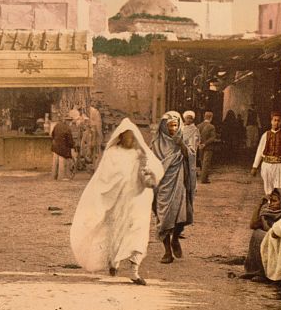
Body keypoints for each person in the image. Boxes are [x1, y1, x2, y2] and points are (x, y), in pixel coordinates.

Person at [70, 118, 163, 285]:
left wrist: (148, 171)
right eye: (126, 136)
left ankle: (134, 271)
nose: (129, 139)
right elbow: (104, 177)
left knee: (137, 234)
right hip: (119, 201)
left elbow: (155, 171)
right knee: (117, 233)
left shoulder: (140, 153)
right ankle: (114, 262)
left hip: (138, 201)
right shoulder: (112, 154)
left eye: (132, 136)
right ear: (120, 137)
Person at [151, 110, 196, 264]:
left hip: (179, 182)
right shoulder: (156, 143)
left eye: (175, 125)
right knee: (163, 218)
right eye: (169, 126)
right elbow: (152, 164)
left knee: (181, 216)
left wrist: (180, 143)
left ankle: (175, 238)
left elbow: (190, 155)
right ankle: (167, 251)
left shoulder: (183, 138)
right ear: (163, 126)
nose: (172, 129)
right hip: (162, 185)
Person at [242, 188, 281, 279]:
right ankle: (256, 270)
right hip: (268, 248)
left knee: (260, 235)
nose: (271, 204)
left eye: (275, 201)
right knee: (257, 233)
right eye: (270, 201)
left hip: (279, 250)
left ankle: (265, 273)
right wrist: (259, 205)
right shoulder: (267, 213)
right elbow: (253, 224)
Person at [50, 112, 75, 180]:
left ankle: (54, 176)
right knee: (62, 163)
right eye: (69, 121)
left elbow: (52, 135)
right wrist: (72, 146)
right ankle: (61, 177)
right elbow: (70, 141)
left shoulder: (57, 125)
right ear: (67, 121)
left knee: (55, 163)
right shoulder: (67, 128)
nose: (70, 122)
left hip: (55, 147)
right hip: (63, 149)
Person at [196, 111, 219, 184]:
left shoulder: (198, 126)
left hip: (200, 147)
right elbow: (212, 138)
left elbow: (196, 136)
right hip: (208, 147)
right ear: (211, 118)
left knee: (202, 161)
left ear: (204, 117)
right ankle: (204, 179)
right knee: (206, 163)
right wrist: (205, 144)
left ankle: (204, 177)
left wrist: (199, 144)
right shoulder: (211, 127)